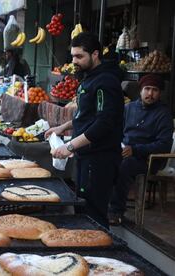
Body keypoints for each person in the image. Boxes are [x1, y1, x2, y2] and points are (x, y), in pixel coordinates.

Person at [46, 32, 124, 228]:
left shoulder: (106, 82)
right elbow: (85, 115)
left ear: (95, 54)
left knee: (94, 213)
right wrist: (63, 127)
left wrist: (70, 146)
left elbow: (104, 123)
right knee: (83, 208)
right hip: (85, 156)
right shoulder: (89, 78)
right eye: (72, 56)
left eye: (79, 56)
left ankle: (100, 255)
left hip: (99, 159)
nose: (74, 61)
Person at [109, 74, 174, 225]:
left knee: (125, 166)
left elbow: (164, 144)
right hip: (125, 151)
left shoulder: (163, 114)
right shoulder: (129, 108)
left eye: (155, 90)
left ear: (160, 93)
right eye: (147, 89)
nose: (150, 94)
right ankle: (98, 205)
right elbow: (117, 131)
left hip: (149, 159)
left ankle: (116, 211)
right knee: (104, 159)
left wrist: (136, 150)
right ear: (140, 90)